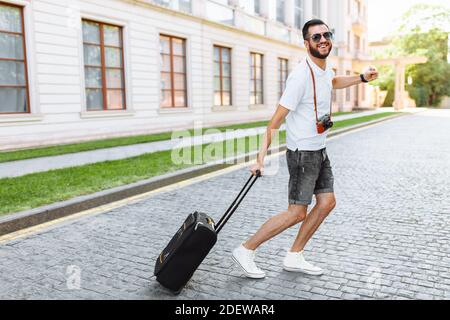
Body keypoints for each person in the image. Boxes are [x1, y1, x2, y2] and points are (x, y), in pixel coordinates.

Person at [231, 19, 379, 278]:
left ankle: (294, 255)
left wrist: (361, 78)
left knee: (327, 202)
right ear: (306, 43)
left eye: (326, 35)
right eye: (316, 37)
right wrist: (260, 159)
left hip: (319, 149)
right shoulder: (300, 76)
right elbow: (275, 121)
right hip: (302, 154)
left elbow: (333, 82)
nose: (323, 40)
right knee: (296, 212)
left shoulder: (323, 68)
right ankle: (245, 250)